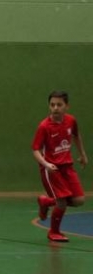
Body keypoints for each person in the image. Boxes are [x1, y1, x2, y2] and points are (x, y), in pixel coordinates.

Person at [33, 90, 87, 242]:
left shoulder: (71, 121)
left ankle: (46, 201)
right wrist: (46, 164)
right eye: (52, 105)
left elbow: (76, 135)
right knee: (62, 202)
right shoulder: (44, 126)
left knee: (79, 200)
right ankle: (54, 232)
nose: (55, 108)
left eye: (59, 105)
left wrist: (83, 154)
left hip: (67, 167)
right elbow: (35, 150)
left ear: (66, 106)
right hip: (51, 170)